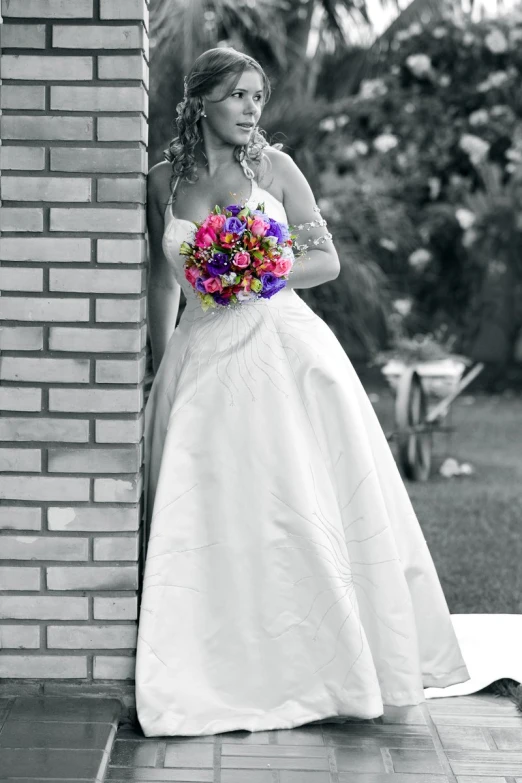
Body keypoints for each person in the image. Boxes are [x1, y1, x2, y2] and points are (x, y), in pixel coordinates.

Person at [135, 47, 470, 738]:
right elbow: (164, 286)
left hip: (280, 347)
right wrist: (158, 373)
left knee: (298, 502)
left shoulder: (277, 169)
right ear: (201, 101)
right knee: (216, 507)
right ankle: (219, 666)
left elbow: (326, 258)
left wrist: (264, 269)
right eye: (237, 94)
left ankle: (329, 664)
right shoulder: (163, 181)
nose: (252, 107)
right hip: (200, 357)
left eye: (259, 95)